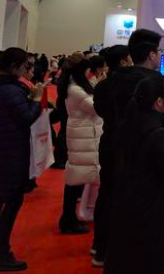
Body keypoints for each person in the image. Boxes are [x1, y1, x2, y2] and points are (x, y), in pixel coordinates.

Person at [91, 29, 164, 267]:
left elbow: (102, 109)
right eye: (159, 51)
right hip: (148, 153)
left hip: (113, 146)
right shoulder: (151, 85)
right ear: (151, 54)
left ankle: (101, 248)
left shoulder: (112, 81)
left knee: (109, 196)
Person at [103, 73, 164, 274]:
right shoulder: (160, 133)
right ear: (158, 102)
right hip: (152, 208)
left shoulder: (127, 126)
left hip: (126, 203)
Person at [0, 48, 43, 271]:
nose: (29, 70)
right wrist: (36, 100)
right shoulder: (11, 90)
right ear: (14, 66)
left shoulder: (10, 88)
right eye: (26, 66)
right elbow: (26, 118)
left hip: (8, 150)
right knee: (11, 201)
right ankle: (2, 252)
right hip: (10, 152)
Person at [91, 45, 132, 266]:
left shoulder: (102, 86)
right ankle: (112, 249)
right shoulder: (129, 85)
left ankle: (99, 245)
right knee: (120, 197)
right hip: (124, 146)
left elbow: (101, 111)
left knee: (105, 194)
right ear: (124, 61)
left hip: (107, 143)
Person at [59, 52, 103, 234]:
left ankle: (69, 218)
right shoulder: (75, 89)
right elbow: (95, 107)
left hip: (82, 135)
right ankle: (68, 220)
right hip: (82, 136)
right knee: (75, 180)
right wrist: (101, 86)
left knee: (77, 178)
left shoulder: (75, 86)